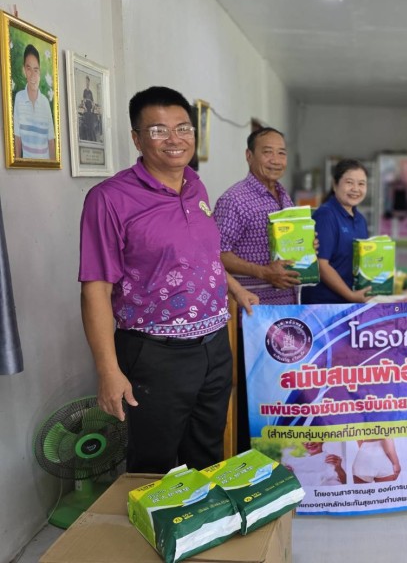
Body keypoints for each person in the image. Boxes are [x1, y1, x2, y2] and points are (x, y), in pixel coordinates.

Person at [79, 86, 259, 474]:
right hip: (155, 355)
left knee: (208, 455)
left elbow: (202, 256)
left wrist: (237, 289)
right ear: (136, 138)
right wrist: (108, 371)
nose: (174, 139)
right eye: (159, 130)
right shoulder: (109, 199)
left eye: (183, 128)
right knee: (153, 466)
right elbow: (96, 288)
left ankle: (204, 513)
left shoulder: (195, 185)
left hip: (214, 346)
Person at [213, 127, 302, 453]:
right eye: (267, 152)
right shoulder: (234, 200)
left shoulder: (283, 195)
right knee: (250, 400)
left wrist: (306, 248)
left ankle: (275, 461)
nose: (276, 159)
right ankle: (245, 463)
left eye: (281, 152)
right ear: (249, 155)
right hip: (250, 318)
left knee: (275, 397)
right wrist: (264, 272)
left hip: (283, 315)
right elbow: (216, 254)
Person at [301, 159, 371, 304]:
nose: (356, 189)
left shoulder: (360, 220)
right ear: (335, 184)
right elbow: (321, 264)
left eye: (361, 184)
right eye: (349, 182)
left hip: (347, 303)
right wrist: (350, 295)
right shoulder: (326, 215)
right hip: (323, 305)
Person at [13, 44, 56, 160]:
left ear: (39, 72)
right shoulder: (19, 98)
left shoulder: (45, 103)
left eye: (36, 70)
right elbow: (17, 138)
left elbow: (51, 141)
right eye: (29, 69)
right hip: (27, 166)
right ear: (24, 71)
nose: (33, 75)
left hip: (46, 165)